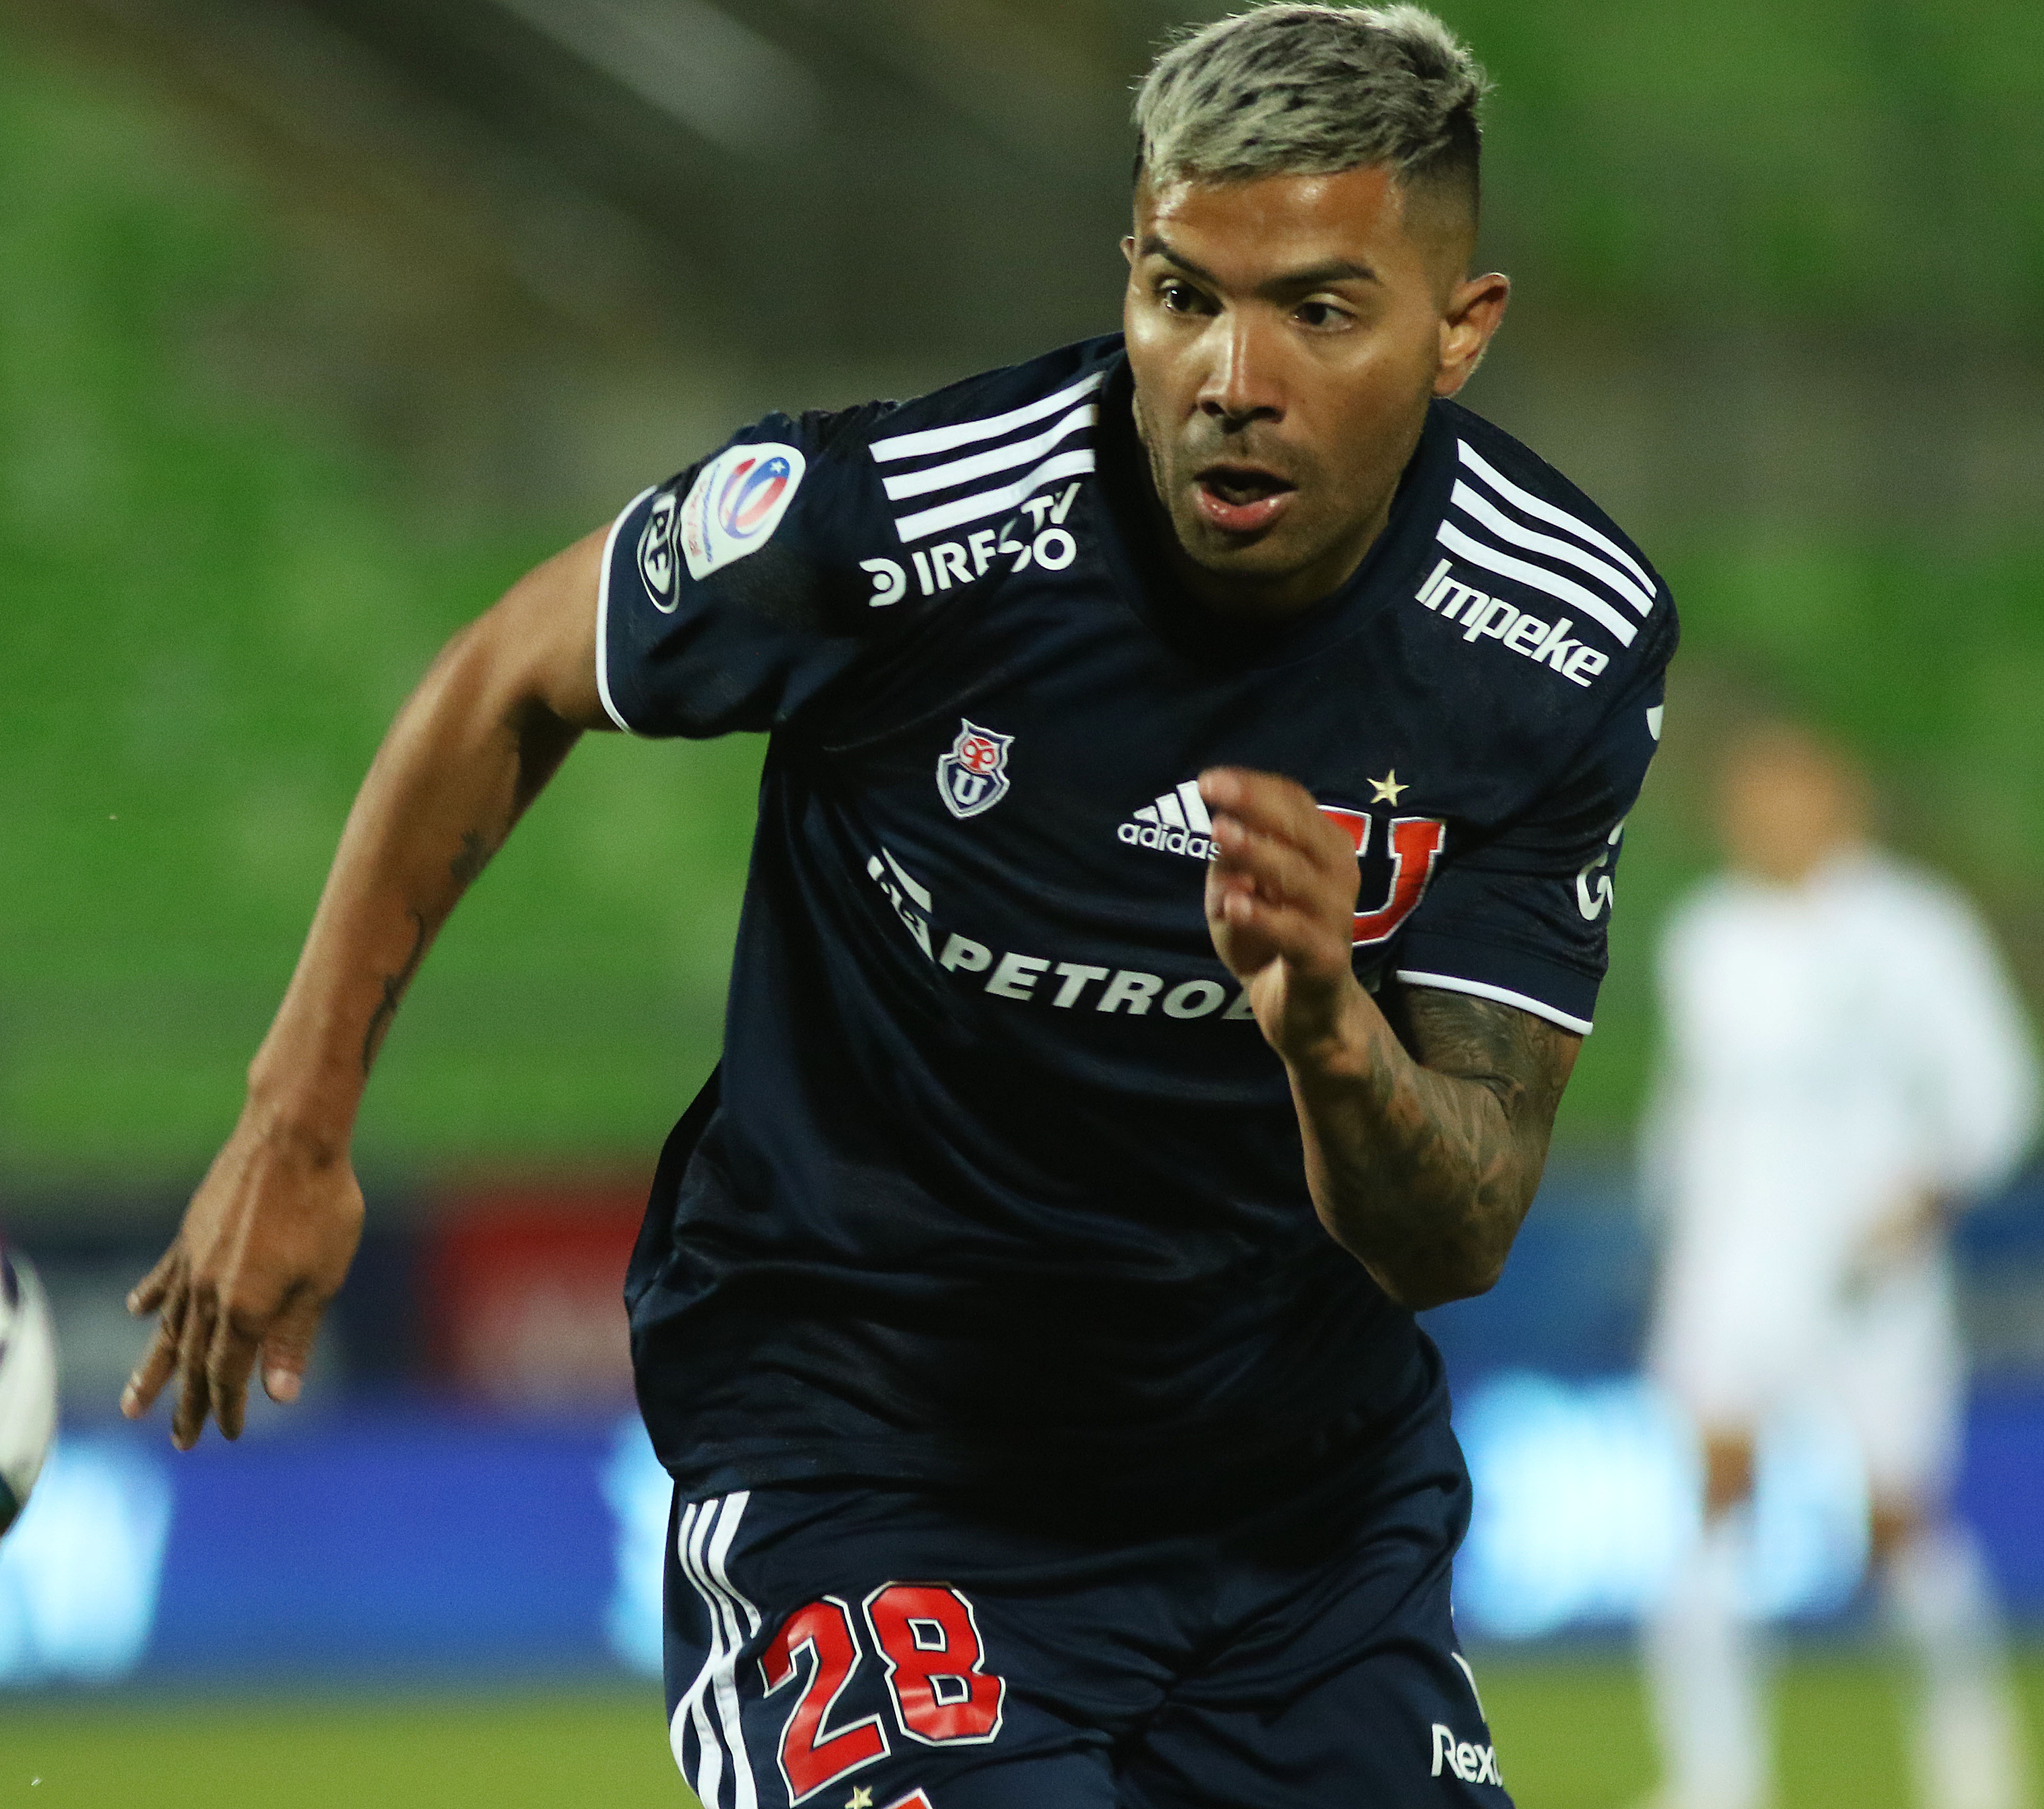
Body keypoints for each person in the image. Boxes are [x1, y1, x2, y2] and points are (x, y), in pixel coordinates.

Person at [127, 7, 1675, 1802]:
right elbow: (510, 674)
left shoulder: (1554, 641)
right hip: (874, 1465)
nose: (1230, 374)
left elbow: (1454, 1229)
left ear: (1459, 332)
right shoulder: (896, 523)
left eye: (1319, 311)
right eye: (1183, 294)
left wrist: (1332, 1031)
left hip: (1296, 1529)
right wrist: (294, 1122)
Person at [1640, 718, 2043, 1809]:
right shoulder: (1704, 934)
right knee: (1715, 1495)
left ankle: (1974, 1770)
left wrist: (1923, 1196)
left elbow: (1997, 1089)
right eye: (1746, 800)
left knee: (1899, 1520)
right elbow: (1690, 1106)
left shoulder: (1913, 930)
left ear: (1839, 800)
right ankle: (1713, 1777)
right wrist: (1667, 1212)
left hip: (1869, 1269)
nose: (1762, 819)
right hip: (1729, 1262)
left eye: (1786, 795)